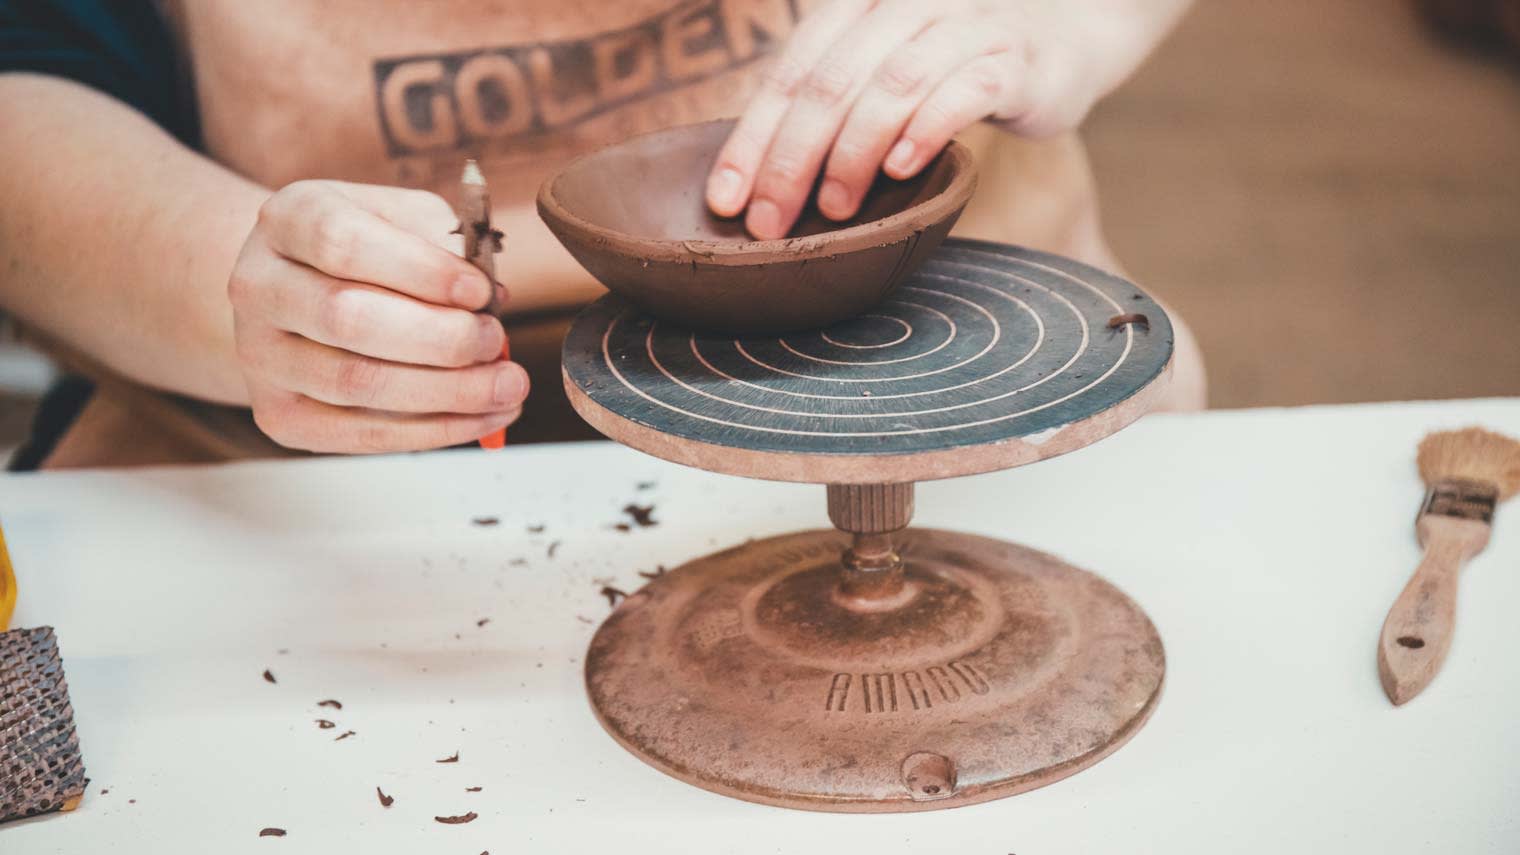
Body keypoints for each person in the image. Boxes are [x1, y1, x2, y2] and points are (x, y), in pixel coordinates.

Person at [0, 0, 1205, 468]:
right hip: (339, 456)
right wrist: (241, 287)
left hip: (956, 365)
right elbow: (27, 90)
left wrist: (1069, 22)